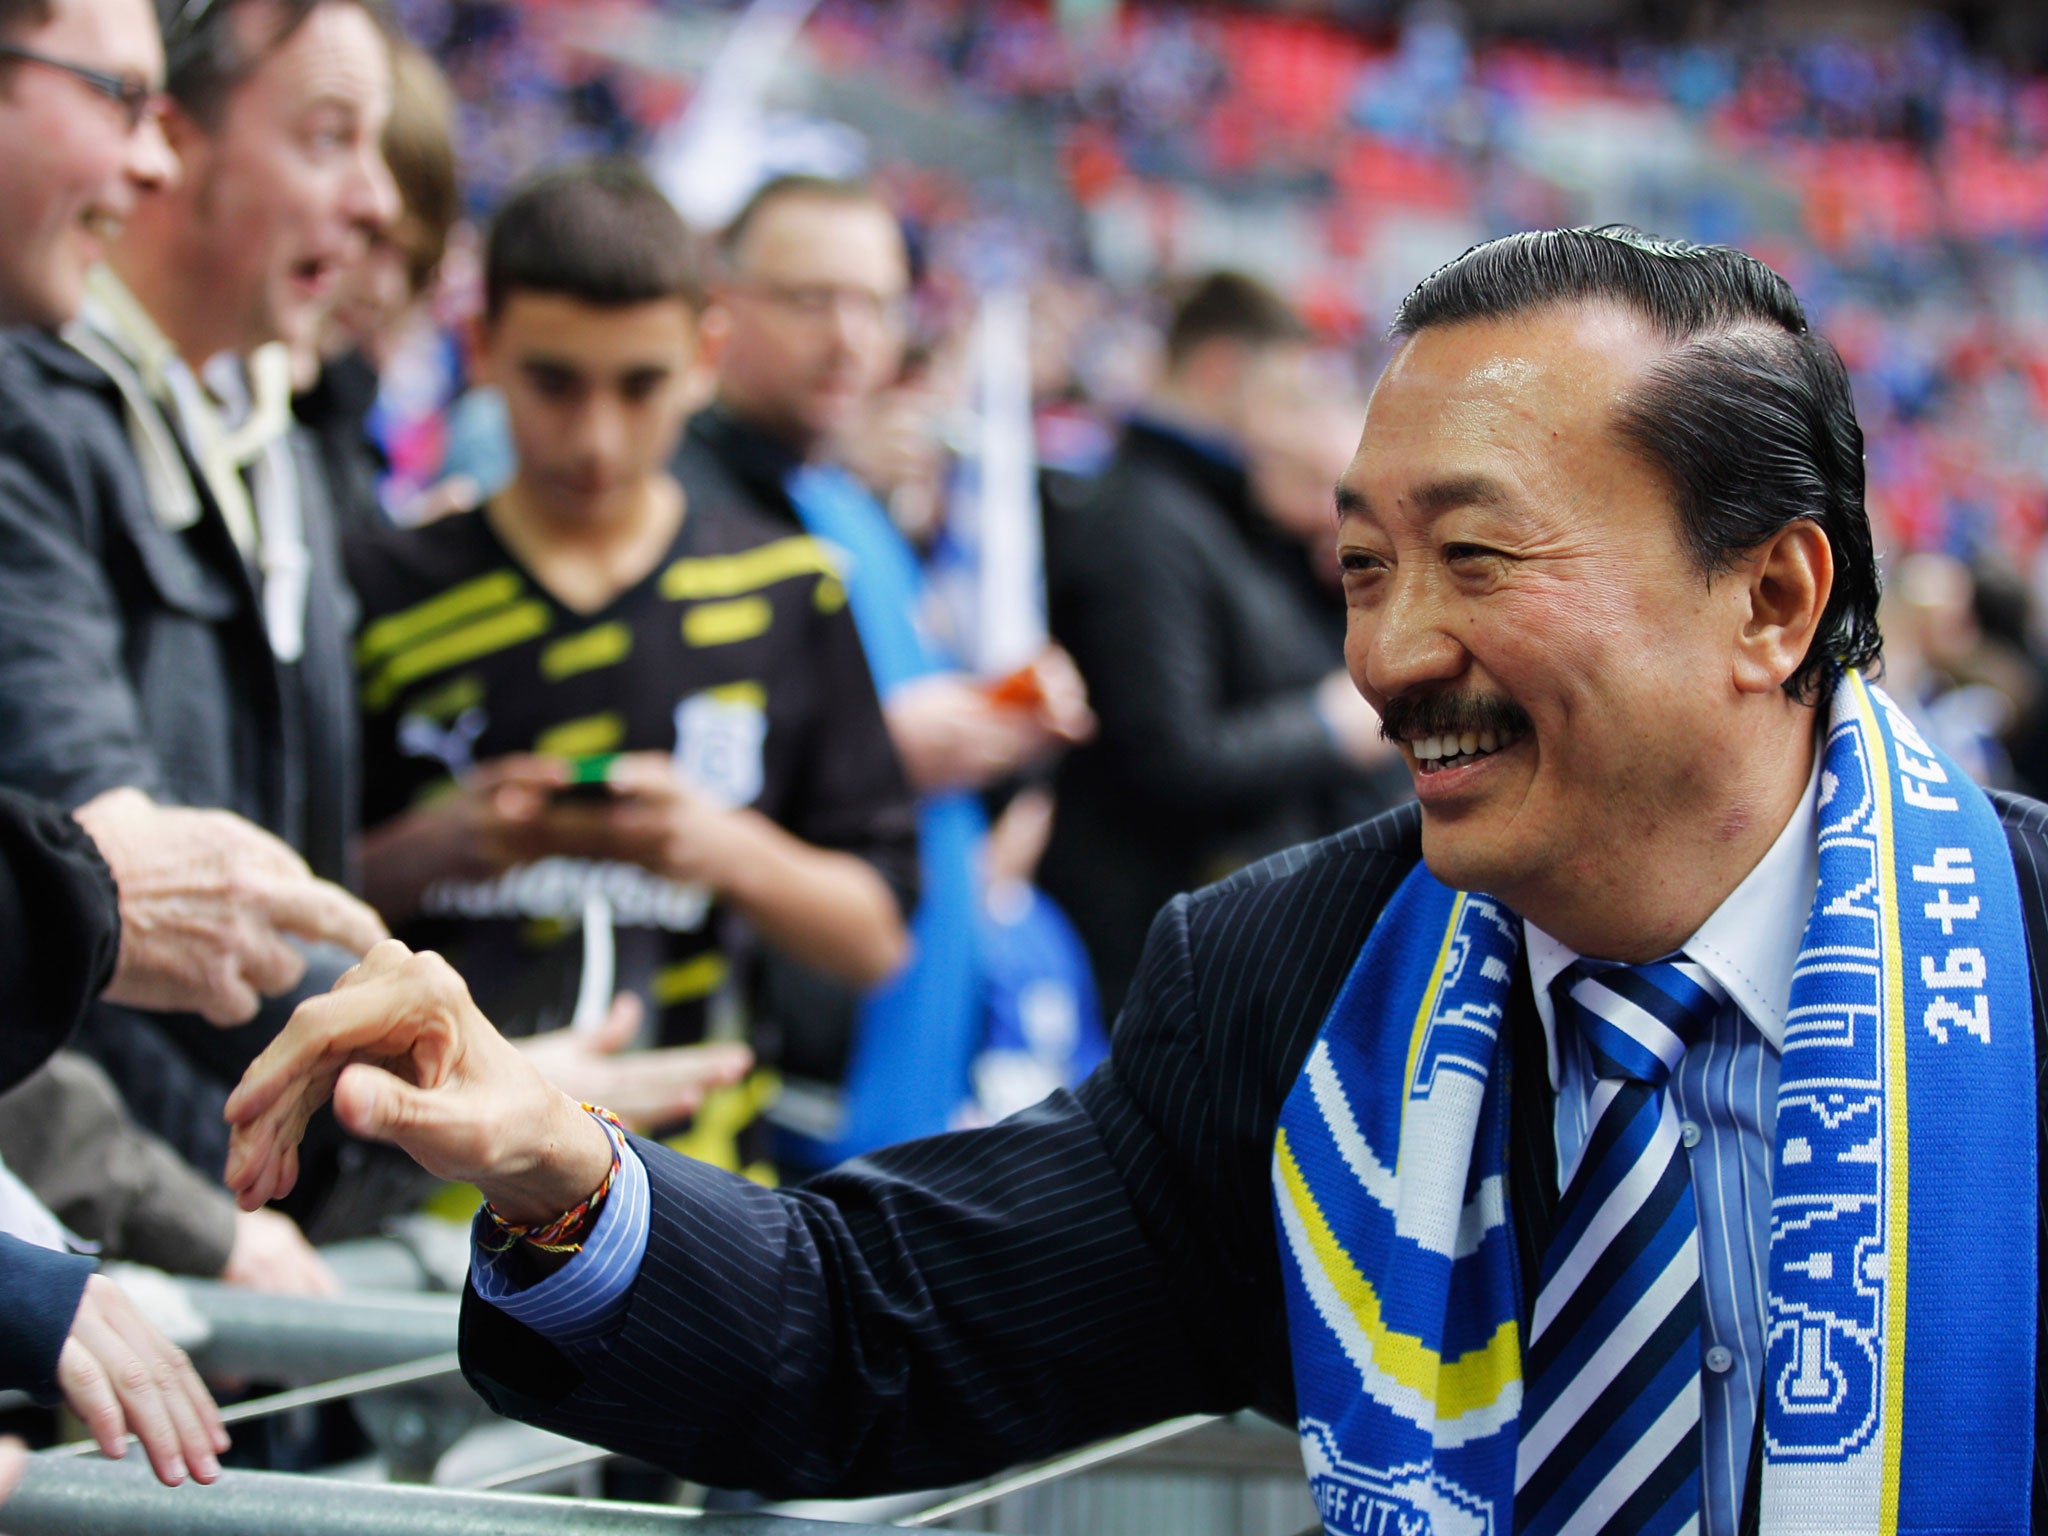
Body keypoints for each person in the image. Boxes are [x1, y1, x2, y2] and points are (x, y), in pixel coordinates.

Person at [226, 226, 2045, 1533]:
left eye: (1475, 557)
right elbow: (864, 1324)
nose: (1391, 655)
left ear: (1773, 600)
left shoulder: (2023, 959)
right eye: (1355, 568)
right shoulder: (1286, 985)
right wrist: (565, 1173)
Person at [345, 161, 914, 1161]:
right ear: (480, 348)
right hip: (418, 1178)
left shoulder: (788, 591)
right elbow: (285, 898)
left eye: (640, 385)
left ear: (704, 356)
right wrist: (447, 845)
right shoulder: (383, 587)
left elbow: (874, 937)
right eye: (554, 382)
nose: (596, 438)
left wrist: (717, 846)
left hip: (696, 1191)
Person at [0, 0, 399, 1227]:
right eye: (329, 137)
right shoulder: (40, 414)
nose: (377, 205)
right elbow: (121, 900)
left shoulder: (269, 443)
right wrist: (184, 1224)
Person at [683, 175, 1094, 1163]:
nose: (849, 337)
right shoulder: (675, 500)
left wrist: (1006, 727)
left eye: (874, 303)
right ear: (719, 305)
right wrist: (885, 748)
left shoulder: (846, 511)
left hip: (889, 1064)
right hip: (744, 1085)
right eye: (809, 298)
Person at [1042, 270, 1402, 1015]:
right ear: (1219, 371)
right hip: (1162, 950)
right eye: (1281, 395)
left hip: (1232, 931)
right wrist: (1327, 727)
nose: (1287, 424)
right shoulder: (1145, 523)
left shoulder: (1228, 507)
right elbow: (1169, 755)